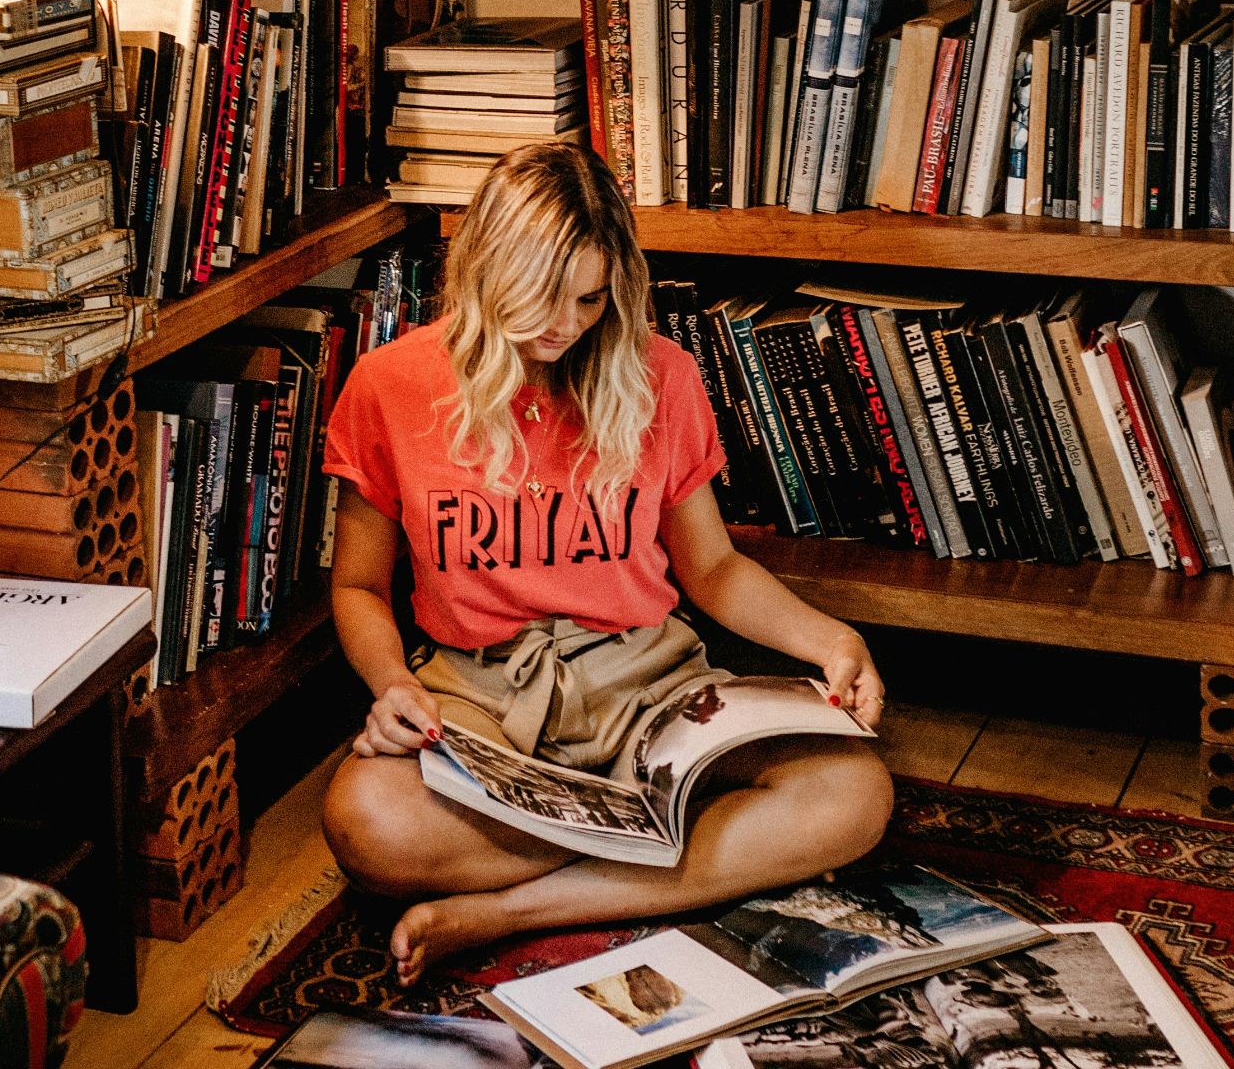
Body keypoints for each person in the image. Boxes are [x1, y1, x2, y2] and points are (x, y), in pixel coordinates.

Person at [320, 142, 893, 986]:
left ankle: (507, 912)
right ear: (483, 271)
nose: (562, 325)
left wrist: (832, 641)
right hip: (477, 696)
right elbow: (359, 585)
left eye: (587, 298)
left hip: (650, 686)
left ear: (616, 283)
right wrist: (392, 689)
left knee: (854, 794)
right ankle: (670, 854)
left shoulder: (665, 377)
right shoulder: (389, 384)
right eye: (535, 298)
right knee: (365, 822)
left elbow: (714, 570)